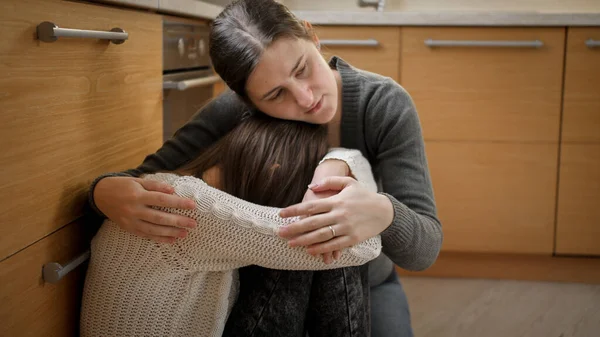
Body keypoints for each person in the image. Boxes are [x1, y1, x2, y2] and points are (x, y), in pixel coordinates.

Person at [88, 0, 443, 335]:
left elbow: (424, 249)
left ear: (311, 35)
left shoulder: (383, 104)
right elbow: (138, 179)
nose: (306, 98)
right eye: (276, 95)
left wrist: (384, 211)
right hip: (264, 272)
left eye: (302, 69)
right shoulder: (232, 111)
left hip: (370, 278)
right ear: (246, 100)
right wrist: (102, 193)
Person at [80, 113, 382, 336]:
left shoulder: (185, 187)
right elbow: (367, 242)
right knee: (328, 237)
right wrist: (345, 162)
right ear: (275, 170)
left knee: (327, 232)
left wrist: (339, 160)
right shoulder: (187, 203)